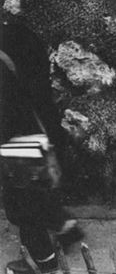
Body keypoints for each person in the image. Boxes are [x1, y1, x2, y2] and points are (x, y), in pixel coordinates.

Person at [1, 21, 83, 274]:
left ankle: (44, 263)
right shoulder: (20, 32)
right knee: (37, 190)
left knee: (21, 205)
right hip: (42, 128)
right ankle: (66, 227)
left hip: (14, 140)